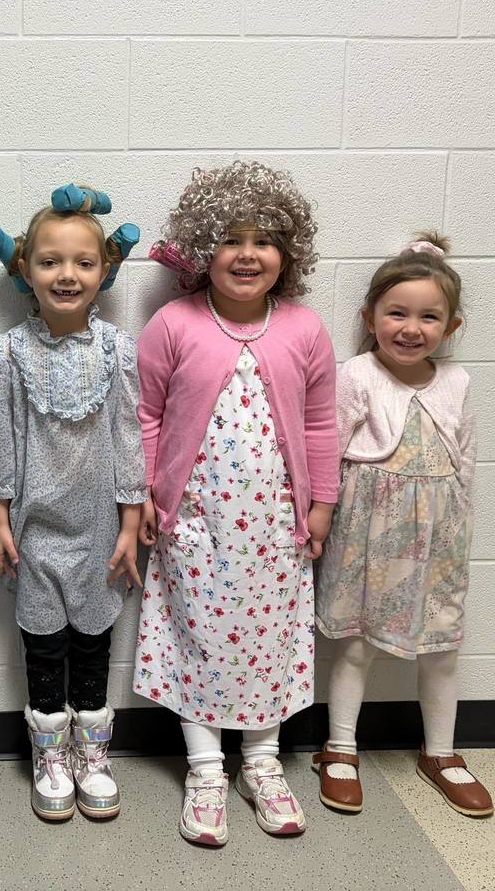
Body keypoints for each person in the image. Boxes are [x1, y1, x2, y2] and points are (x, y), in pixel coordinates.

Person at [134, 161, 338, 845]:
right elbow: (148, 417)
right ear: (202, 250)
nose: (247, 255)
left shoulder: (305, 328)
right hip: (194, 523)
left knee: (269, 641)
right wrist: (152, 502)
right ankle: (204, 769)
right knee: (200, 638)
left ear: (288, 253)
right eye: (230, 239)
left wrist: (322, 505)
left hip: (277, 526)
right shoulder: (173, 323)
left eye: (264, 241)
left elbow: (319, 423)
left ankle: (261, 761)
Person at [0, 184, 145, 821]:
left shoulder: (117, 351)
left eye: (82, 261)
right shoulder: (8, 353)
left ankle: (92, 753)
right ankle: (50, 754)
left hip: (102, 526)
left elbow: (129, 436)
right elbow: (0, 438)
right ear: (24, 269)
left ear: (105, 271)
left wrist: (131, 523)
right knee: (43, 645)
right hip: (33, 526)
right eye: (50, 261)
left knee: (95, 641)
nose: (66, 274)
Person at [313, 235, 493, 819]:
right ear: (370, 318)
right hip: (367, 535)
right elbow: (328, 451)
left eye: (429, 316)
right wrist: (318, 516)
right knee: (358, 642)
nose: (411, 327)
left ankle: (440, 751)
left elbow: (463, 456)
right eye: (396, 313)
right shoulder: (357, 375)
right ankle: (339, 745)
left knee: (441, 645)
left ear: (452, 325)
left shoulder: (457, 382)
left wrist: (459, 520)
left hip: (439, 538)